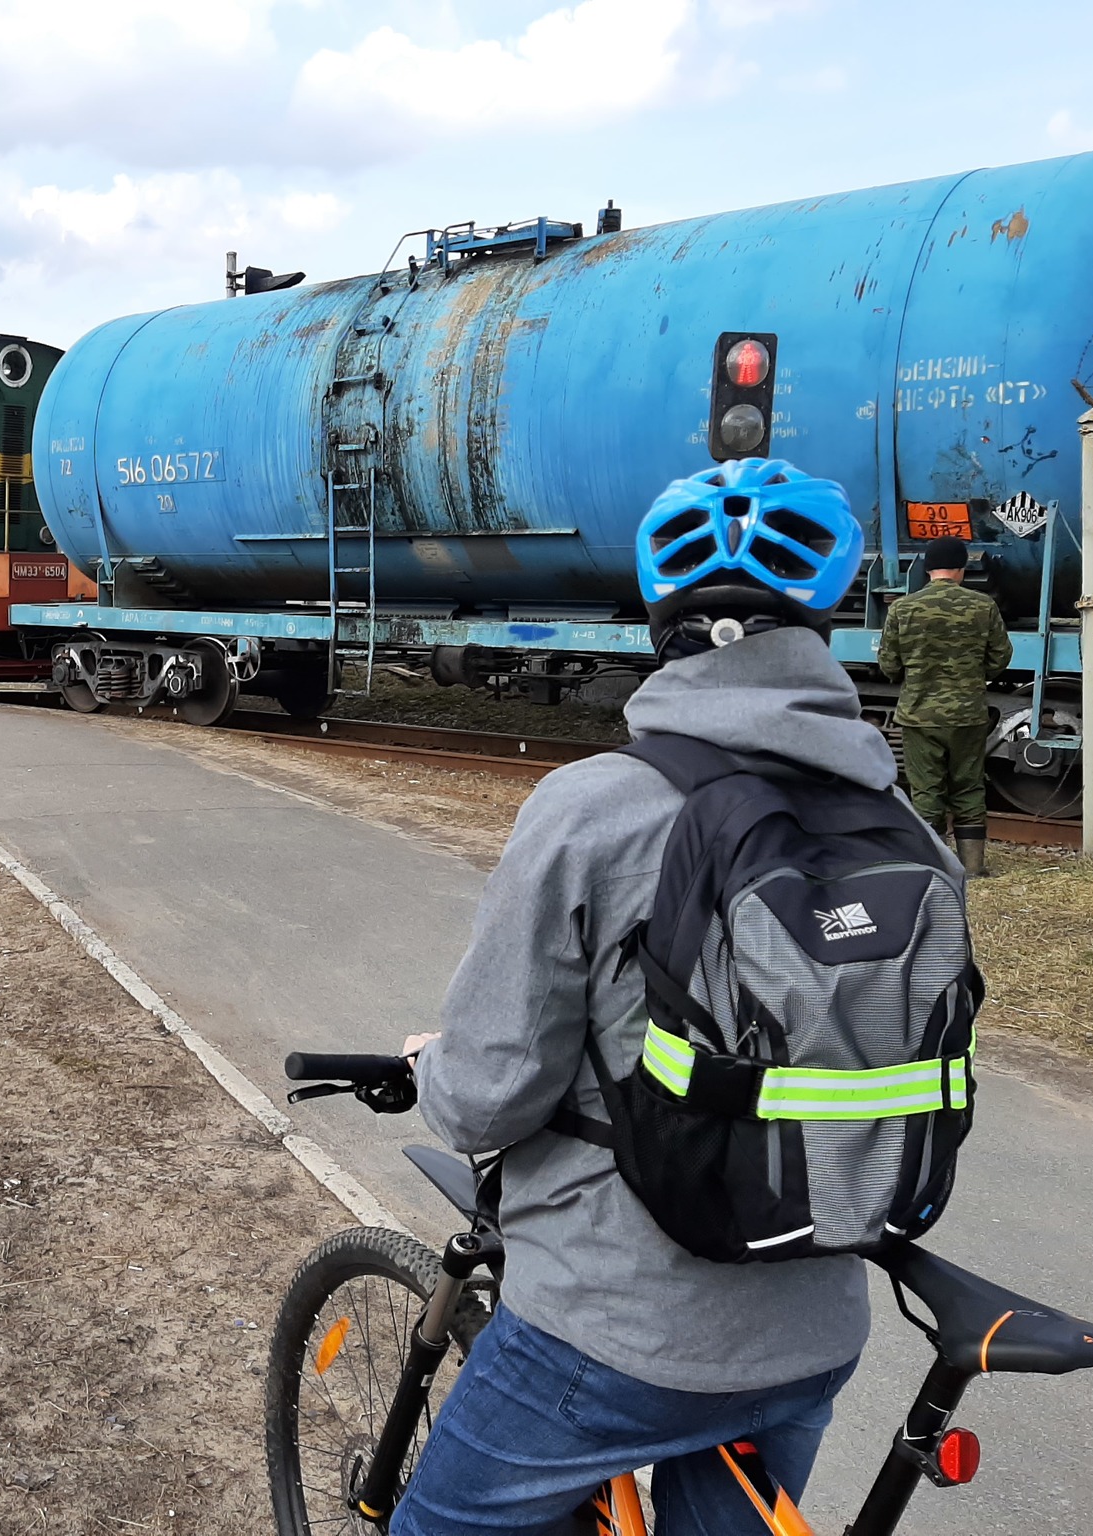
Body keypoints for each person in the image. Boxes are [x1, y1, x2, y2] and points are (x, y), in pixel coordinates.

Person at [391, 459, 940, 1536]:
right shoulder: (900, 825)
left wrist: (433, 1068)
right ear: (829, 617)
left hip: (613, 1329)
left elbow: (487, 1100)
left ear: (657, 618)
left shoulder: (590, 807)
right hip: (816, 1321)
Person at [876, 534, 1012, 877]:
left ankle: (934, 867)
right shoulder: (983, 607)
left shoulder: (902, 609)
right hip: (968, 715)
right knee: (968, 788)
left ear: (927, 570)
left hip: (920, 716)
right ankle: (973, 866)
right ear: (962, 570)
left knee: (926, 792)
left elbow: (889, 665)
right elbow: (1000, 657)